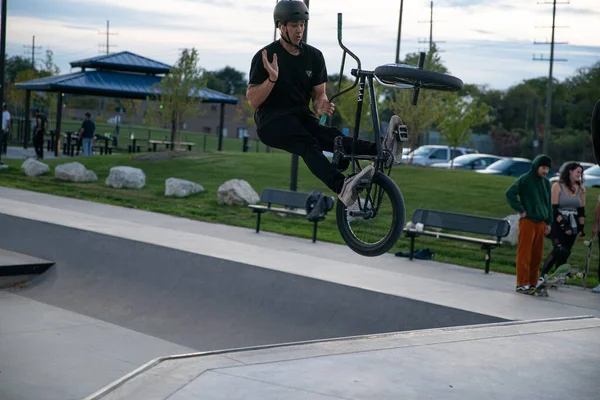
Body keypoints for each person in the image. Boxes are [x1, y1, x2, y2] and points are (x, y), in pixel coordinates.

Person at [246, 0, 404, 206]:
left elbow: (319, 95)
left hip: (301, 116)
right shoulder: (266, 56)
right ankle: (342, 186)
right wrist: (272, 78)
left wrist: (322, 104)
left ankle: (382, 150)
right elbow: (252, 100)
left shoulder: (314, 56)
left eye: (302, 25)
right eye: (294, 25)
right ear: (281, 26)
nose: (299, 30)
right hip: (271, 121)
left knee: (334, 137)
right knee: (308, 144)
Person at [505, 154, 553, 293]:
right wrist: (521, 209)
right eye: (543, 168)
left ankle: (533, 282)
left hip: (541, 222)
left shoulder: (546, 183)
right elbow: (510, 193)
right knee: (524, 253)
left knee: (537, 255)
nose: (545, 171)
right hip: (528, 221)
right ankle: (522, 282)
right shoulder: (525, 179)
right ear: (536, 166)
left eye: (547, 169)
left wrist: (549, 222)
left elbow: (548, 204)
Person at [539, 163, 586, 285]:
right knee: (558, 248)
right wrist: (564, 226)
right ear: (570, 171)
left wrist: (581, 228)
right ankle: (543, 274)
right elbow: (554, 209)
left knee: (566, 251)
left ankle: (559, 275)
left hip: (573, 221)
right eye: (577, 172)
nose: (579, 175)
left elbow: (581, 210)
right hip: (558, 221)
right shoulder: (557, 186)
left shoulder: (581, 188)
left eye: (581, 172)